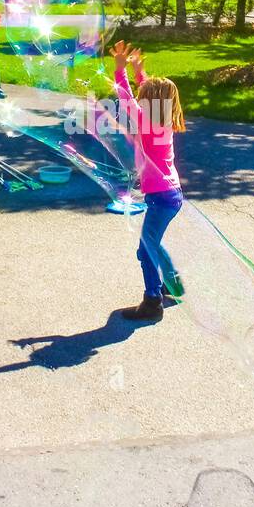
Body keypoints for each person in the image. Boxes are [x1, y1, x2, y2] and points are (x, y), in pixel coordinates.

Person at [109, 40, 187, 323]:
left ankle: (153, 301)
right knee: (154, 242)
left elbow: (126, 98)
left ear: (150, 102)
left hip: (162, 196)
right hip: (170, 194)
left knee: (145, 249)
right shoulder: (161, 119)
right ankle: (173, 284)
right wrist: (140, 71)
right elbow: (146, 96)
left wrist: (121, 70)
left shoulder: (147, 120)